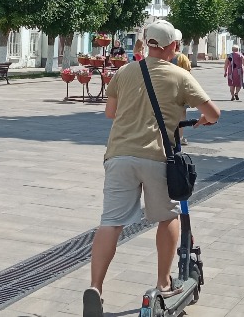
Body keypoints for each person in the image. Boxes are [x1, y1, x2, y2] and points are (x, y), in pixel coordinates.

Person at [83, 20, 220, 317]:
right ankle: (163, 282)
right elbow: (213, 113)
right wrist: (201, 120)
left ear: (148, 44)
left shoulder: (124, 72)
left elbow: (110, 113)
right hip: (158, 157)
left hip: (119, 155)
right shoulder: (180, 75)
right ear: (172, 46)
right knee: (167, 216)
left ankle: (95, 287)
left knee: (111, 222)